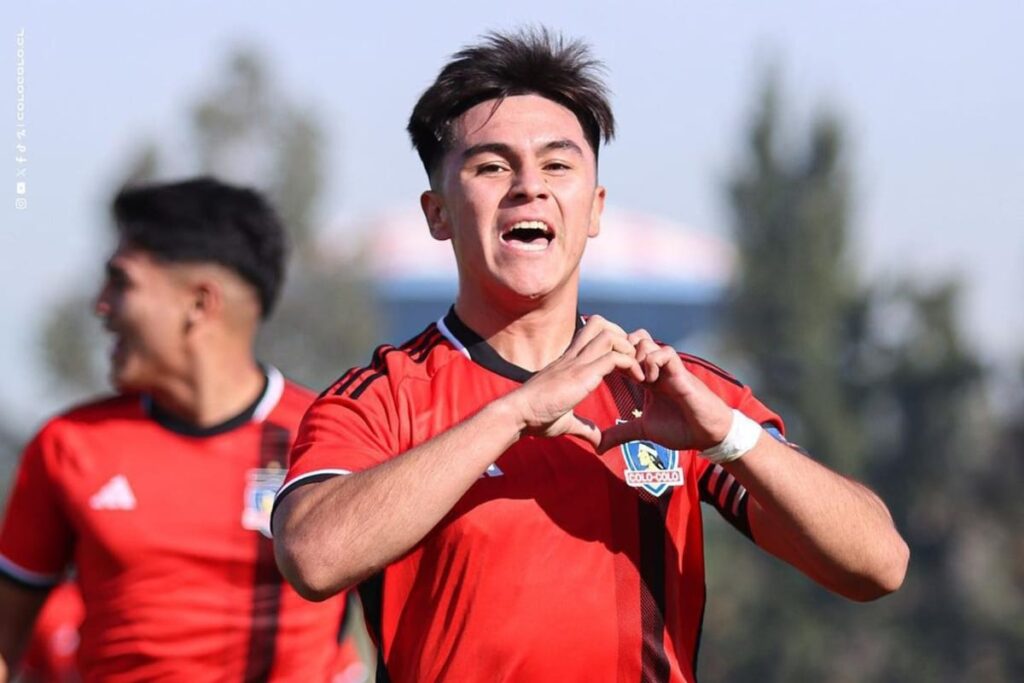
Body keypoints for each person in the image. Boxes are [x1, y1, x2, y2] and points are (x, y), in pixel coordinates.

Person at [272, 29, 909, 682]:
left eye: (557, 164)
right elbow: (313, 555)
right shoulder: (381, 397)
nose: (529, 188)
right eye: (492, 166)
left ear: (595, 207)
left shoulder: (673, 389)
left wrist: (726, 436)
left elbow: (878, 564)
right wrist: (515, 413)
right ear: (438, 213)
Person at [0, 177, 353, 682]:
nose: (101, 305)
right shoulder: (69, 445)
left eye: (121, 282)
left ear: (200, 303)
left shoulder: (329, 436)